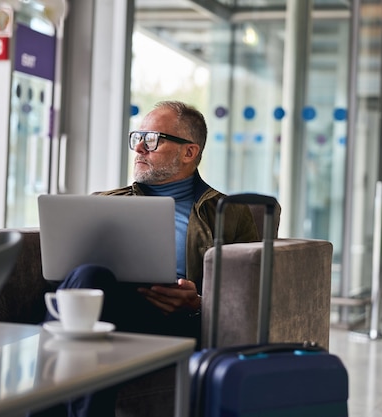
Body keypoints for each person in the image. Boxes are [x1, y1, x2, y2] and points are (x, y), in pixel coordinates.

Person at [38, 100, 259, 417]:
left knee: (88, 308)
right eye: (137, 137)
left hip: (173, 320)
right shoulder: (104, 203)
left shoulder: (228, 212)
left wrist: (198, 302)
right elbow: (64, 277)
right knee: (91, 278)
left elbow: (250, 290)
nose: (139, 147)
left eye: (153, 139)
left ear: (189, 152)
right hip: (104, 309)